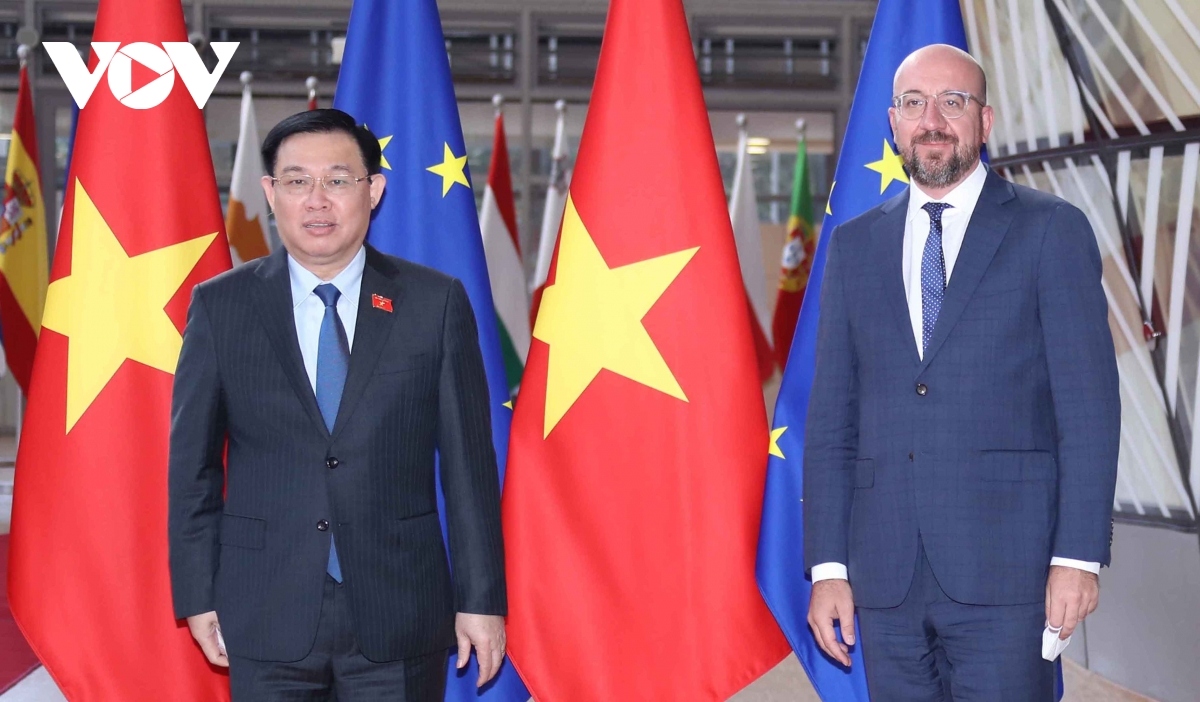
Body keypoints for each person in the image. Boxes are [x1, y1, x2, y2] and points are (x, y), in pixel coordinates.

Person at [803, 44, 1120, 701]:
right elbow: (833, 419)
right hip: (884, 578)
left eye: (954, 101)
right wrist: (829, 568)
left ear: (985, 120)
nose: (933, 119)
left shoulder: (1050, 231)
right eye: (915, 103)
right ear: (893, 122)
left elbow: (1089, 411)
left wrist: (1078, 558)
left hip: (1012, 576)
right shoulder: (855, 246)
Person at [168, 109, 507, 701]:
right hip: (263, 605)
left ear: (372, 190)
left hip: (400, 609)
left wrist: (481, 601)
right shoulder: (221, 307)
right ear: (270, 194)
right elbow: (191, 469)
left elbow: (469, 470)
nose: (316, 200)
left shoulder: (434, 304)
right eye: (297, 181)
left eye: (338, 180)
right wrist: (198, 594)